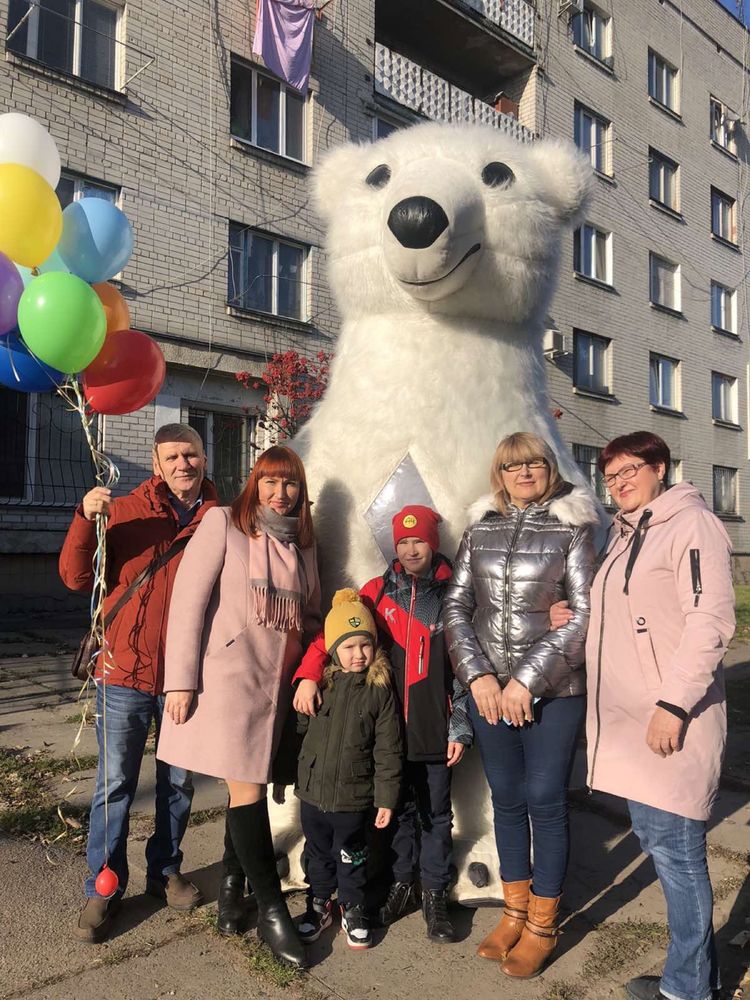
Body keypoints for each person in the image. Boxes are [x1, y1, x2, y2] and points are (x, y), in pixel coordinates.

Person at [557, 431, 735, 1000]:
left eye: (629, 470)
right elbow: (634, 615)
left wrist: (674, 704)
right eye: (609, 476)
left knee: (678, 855)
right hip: (633, 722)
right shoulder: (625, 533)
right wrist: (578, 613)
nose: (618, 483)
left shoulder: (690, 525)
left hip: (669, 719)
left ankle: (688, 988)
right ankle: (691, 976)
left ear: (660, 468)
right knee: (663, 848)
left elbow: (710, 622)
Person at [157, 445, 321, 969]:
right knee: (248, 790)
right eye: (271, 482)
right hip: (227, 681)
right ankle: (272, 911)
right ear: (256, 483)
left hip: (278, 689)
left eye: (290, 483)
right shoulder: (223, 523)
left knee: (244, 783)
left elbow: (312, 616)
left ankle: (231, 888)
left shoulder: (304, 544)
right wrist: (180, 681)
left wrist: (314, 670)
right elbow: (187, 602)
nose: (280, 492)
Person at [443, 431, 598, 979]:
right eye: (512, 466)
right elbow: (457, 606)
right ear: (500, 475)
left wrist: (525, 681)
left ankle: (542, 925)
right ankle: (514, 911)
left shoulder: (573, 532)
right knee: (507, 799)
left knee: (545, 800)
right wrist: (480, 676)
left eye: (533, 463)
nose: (524, 472)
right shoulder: (479, 533)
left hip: (553, 693)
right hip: (490, 694)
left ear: (549, 468)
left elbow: (583, 615)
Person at [59, 423, 218, 943]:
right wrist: (85, 519)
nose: (182, 465)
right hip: (124, 673)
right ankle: (103, 886)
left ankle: (165, 872)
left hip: (185, 679)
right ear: (156, 463)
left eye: (190, 454)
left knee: (177, 782)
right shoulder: (124, 511)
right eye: (171, 456)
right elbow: (76, 577)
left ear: (204, 457)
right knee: (114, 784)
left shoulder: (222, 521)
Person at [294, 504, 472, 943]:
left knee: (434, 814)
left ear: (433, 543)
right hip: (386, 732)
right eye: (404, 541)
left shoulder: (456, 593)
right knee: (399, 816)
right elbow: (331, 637)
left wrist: (461, 723)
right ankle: (401, 884)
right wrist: (307, 674)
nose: (411, 549)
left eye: (420, 540)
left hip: (434, 728)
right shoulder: (377, 591)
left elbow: (468, 662)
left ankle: (434, 894)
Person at [293, 588, 402, 951]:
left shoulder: (380, 690)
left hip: (353, 799)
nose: (358, 655)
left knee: (352, 856)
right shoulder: (321, 682)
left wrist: (386, 798)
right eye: (349, 647)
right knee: (318, 855)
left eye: (365, 645)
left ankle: (353, 907)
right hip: (313, 794)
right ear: (333, 649)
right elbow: (300, 734)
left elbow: (389, 749)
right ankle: (319, 902)